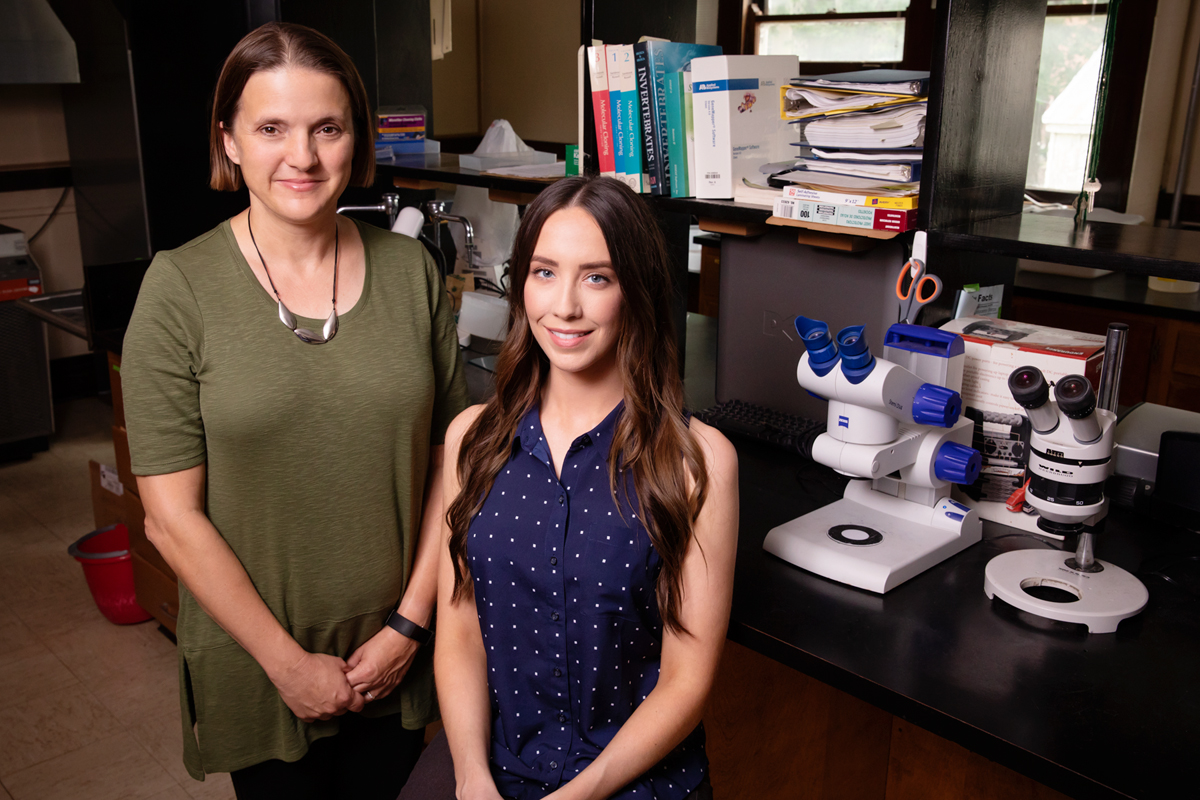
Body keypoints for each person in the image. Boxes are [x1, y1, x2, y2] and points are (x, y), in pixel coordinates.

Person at [121, 22, 468, 800]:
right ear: (230, 141)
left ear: (356, 139)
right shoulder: (179, 290)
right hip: (259, 664)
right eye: (271, 128)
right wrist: (287, 664)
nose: (303, 157)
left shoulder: (412, 271)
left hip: (400, 650)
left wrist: (408, 629)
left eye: (327, 128)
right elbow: (170, 519)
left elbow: (458, 460)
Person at [433, 176, 739, 800]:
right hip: (498, 778)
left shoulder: (697, 462)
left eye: (596, 277)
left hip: (637, 788)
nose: (564, 306)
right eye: (545, 272)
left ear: (636, 291)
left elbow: (686, 680)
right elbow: (460, 633)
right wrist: (470, 778)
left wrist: (581, 794)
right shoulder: (473, 440)